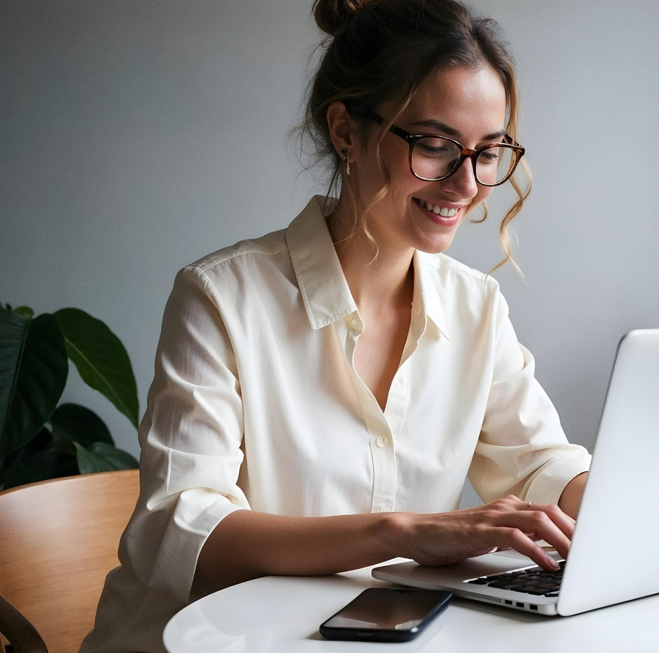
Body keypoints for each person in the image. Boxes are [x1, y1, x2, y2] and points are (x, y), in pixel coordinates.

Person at [80, 1, 590, 650]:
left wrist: (630, 500)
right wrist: (401, 532)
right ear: (346, 131)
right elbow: (181, 528)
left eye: (487, 152)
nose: (466, 183)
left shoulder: (476, 307)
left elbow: (542, 465)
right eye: (435, 145)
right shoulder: (221, 297)